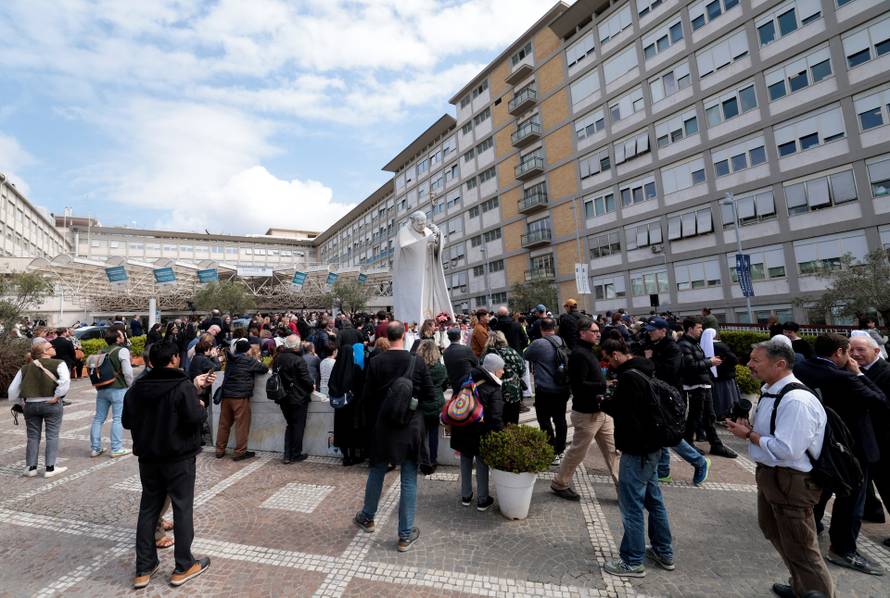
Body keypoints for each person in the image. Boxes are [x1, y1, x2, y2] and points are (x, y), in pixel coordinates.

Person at [725, 339, 833, 598]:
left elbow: (787, 449)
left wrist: (749, 436)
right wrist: (749, 430)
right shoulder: (771, 390)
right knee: (774, 530)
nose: (749, 365)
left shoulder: (796, 400)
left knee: (801, 546)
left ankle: (817, 592)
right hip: (771, 476)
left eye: (755, 361)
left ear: (780, 364)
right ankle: (801, 586)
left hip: (792, 480)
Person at [793, 333, 887, 576]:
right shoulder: (844, 377)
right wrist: (857, 373)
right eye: (849, 351)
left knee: (821, 490)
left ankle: (807, 532)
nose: (853, 356)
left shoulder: (803, 367)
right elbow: (880, 401)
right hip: (852, 448)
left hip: (821, 445)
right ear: (838, 353)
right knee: (852, 500)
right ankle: (843, 549)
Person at [122, 342, 213, 589]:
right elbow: (195, 418)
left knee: (148, 509)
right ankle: (183, 565)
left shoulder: (137, 388)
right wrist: (200, 404)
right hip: (178, 457)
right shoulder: (181, 386)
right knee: (182, 508)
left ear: (150, 361)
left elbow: (127, 422)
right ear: (174, 358)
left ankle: (144, 567)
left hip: (148, 458)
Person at [353, 321, 436, 552]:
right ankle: (404, 535)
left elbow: (367, 397)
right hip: (411, 427)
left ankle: (367, 517)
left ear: (386, 337)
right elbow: (430, 395)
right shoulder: (416, 361)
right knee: (409, 477)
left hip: (384, 426)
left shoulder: (376, 361)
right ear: (404, 336)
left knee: (377, 470)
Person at [599, 339, 674, 578]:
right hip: (653, 447)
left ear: (617, 355)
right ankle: (664, 551)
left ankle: (632, 561)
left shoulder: (630, 377)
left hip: (637, 449)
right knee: (654, 501)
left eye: (609, 359)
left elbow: (625, 410)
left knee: (631, 505)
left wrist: (604, 402)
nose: (609, 364)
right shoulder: (646, 370)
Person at [551, 317, 619, 500]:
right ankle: (559, 483)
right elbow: (578, 385)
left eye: (598, 331)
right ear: (582, 333)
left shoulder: (589, 351)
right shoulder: (579, 354)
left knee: (613, 452)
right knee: (576, 453)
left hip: (601, 411)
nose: (598, 334)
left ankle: (625, 490)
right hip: (586, 413)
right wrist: (604, 385)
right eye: (594, 331)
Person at [644, 318, 711, 485]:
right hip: (657, 395)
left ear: (663, 330)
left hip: (669, 397)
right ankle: (663, 470)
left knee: (670, 434)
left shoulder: (672, 347)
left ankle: (699, 461)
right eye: (649, 329)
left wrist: (650, 360)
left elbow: (669, 372)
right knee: (661, 432)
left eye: (653, 329)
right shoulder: (654, 345)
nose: (649, 332)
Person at [8, 339, 70, 477]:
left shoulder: (25, 368)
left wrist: (21, 402)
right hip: (51, 403)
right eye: (50, 346)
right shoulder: (59, 363)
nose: (53, 347)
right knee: (52, 435)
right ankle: (50, 468)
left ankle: (31, 468)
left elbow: (12, 391)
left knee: (32, 436)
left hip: (30, 405)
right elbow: (65, 382)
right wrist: (57, 396)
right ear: (44, 352)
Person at [450, 353, 505, 511]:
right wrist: (500, 435)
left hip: (462, 428)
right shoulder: (493, 387)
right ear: (494, 370)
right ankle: (482, 499)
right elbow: (495, 416)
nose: (503, 372)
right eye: (501, 369)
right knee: (482, 464)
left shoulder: (466, 379)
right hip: (481, 432)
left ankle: (466, 496)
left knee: (465, 460)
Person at [849, 334, 890, 545]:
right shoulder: (857, 371)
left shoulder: (885, 372)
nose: (855, 354)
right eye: (851, 350)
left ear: (875, 351)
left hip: (884, 439)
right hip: (867, 440)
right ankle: (874, 512)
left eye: (860, 350)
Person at [677, 317, 736, 458]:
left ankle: (716, 445)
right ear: (690, 329)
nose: (701, 330)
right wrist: (709, 362)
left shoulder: (694, 343)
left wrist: (709, 363)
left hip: (703, 383)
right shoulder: (684, 344)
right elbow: (689, 366)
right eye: (698, 328)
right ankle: (688, 443)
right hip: (694, 385)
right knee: (695, 416)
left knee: (709, 416)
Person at [524, 317, 570, 463]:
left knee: (544, 420)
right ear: (554, 327)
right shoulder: (561, 341)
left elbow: (526, 355)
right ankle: (560, 449)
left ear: (541, 329)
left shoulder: (538, 343)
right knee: (560, 419)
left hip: (545, 389)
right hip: (562, 387)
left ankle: (550, 450)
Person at [215, 339, 268, 461]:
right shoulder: (248, 360)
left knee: (224, 424)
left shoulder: (230, 359)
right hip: (240, 397)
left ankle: (219, 449)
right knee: (242, 424)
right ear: (247, 349)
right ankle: (240, 451)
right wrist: (256, 358)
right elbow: (264, 368)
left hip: (226, 395)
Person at [90, 328, 134, 458]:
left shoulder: (101, 351)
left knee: (98, 418)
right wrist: (130, 385)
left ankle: (95, 448)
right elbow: (128, 372)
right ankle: (116, 448)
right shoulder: (122, 350)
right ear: (117, 338)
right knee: (117, 418)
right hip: (118, 388)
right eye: (121, 335)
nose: (123, 337)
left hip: (102, 388)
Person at [328, 325, 367, 466]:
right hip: (353, 406)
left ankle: (346, 457)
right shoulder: (356, 368)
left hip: (340, 407)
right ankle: (355, 456)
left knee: (342, 431)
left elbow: (330, 385)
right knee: (353, 431)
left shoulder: (336, 368)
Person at [273, 335, 315, 464]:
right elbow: (306, 379)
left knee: (290, 425)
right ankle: (295, 454)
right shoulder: (298, 360)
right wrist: (311, 385)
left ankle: (287, 455)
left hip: (283, 396)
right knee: (298, 426)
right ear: (297, 346)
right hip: (297, 397)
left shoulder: (279, 358)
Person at [417, 339, 447, 471]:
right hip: (436, 402)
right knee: (434, 433)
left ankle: (423, 460)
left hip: (421, 402)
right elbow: (445, 385)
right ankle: (432, 460)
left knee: (421, 434)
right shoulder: (440, 368)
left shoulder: (418, 367)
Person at [485, 331, 526, 425]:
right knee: (513, 420)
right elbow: (522, 369)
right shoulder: (511, 351)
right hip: (512, 391)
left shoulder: (487, 354)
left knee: (497, 420)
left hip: (493, 391)